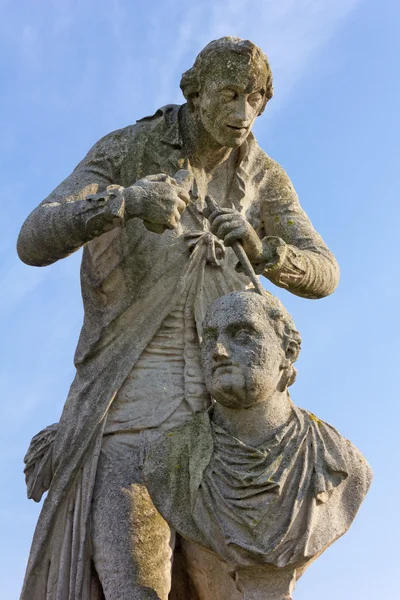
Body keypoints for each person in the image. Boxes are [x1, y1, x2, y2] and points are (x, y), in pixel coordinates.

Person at [18, 37, 339, 599]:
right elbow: (34, 237)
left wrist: (267, 253)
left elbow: (325, 272)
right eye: (230, 94)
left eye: (257, 99)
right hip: (131, 407)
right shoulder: (129, 149)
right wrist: (124, 202)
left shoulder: (264, 177)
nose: (243, 114)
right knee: (136, 589)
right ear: (194, 92)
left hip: (224, 419)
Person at [144, 291, 372, 600]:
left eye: (242, 335)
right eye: (210, 338)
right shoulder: (167, 463)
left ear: (287, 352)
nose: (219, 352)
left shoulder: (342, 463)